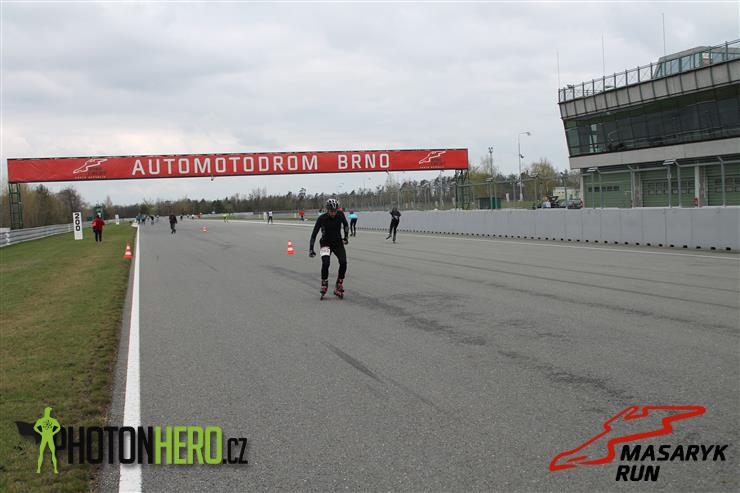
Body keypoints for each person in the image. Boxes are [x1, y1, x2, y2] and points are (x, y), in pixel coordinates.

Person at [309, 198, 349, 298]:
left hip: (338, 243)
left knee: (343, 262)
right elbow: (314, 233)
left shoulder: (340, 215)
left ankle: (339, 284)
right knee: (326, 263)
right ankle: (324, 283)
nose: (333, 213)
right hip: (325, 244)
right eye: (331, 211)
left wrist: (346, 237)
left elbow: (346, 225)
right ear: (327, 210)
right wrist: (311, 248)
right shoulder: (322, 218)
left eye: (335, 211)